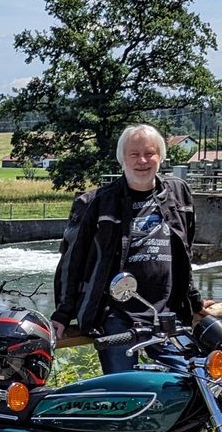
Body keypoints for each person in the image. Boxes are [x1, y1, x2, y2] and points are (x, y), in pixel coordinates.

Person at [50, 123, 208, 375]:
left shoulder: (178, 193)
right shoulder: (96, 203)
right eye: (134, 154)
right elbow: (72, 262)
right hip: (116, 317)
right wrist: (62, 314)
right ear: (122, 159)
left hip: (166, 313)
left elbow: (183, 254)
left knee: (193, 380)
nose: (142, 161)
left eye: (149, 153)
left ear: (160, 156)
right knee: (125, 388)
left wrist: (194, 301)